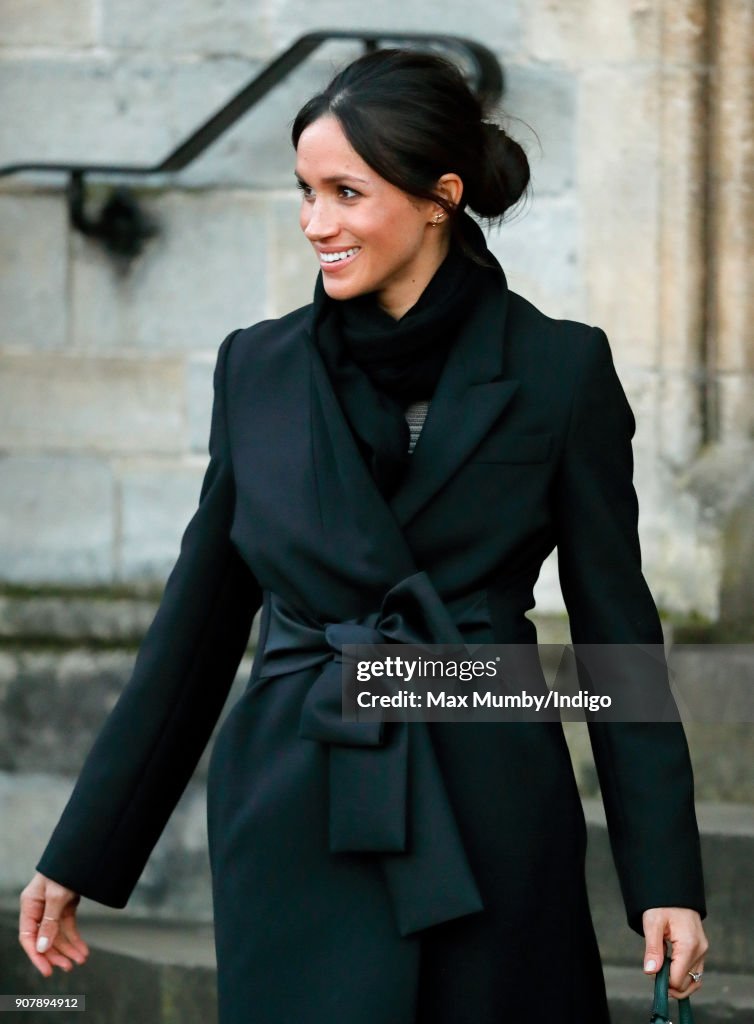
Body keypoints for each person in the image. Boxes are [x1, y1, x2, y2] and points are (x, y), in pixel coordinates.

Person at [19, 48, 708, 1023]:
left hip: (489, 810)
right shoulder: (255, 371)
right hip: (295, 816)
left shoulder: (559, 371)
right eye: (305, 192)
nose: (316, 224)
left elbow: (617, 645)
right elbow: (194, 632)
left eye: (346, 192)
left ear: (439, 197)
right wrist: (81, 849)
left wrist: (665, 877)